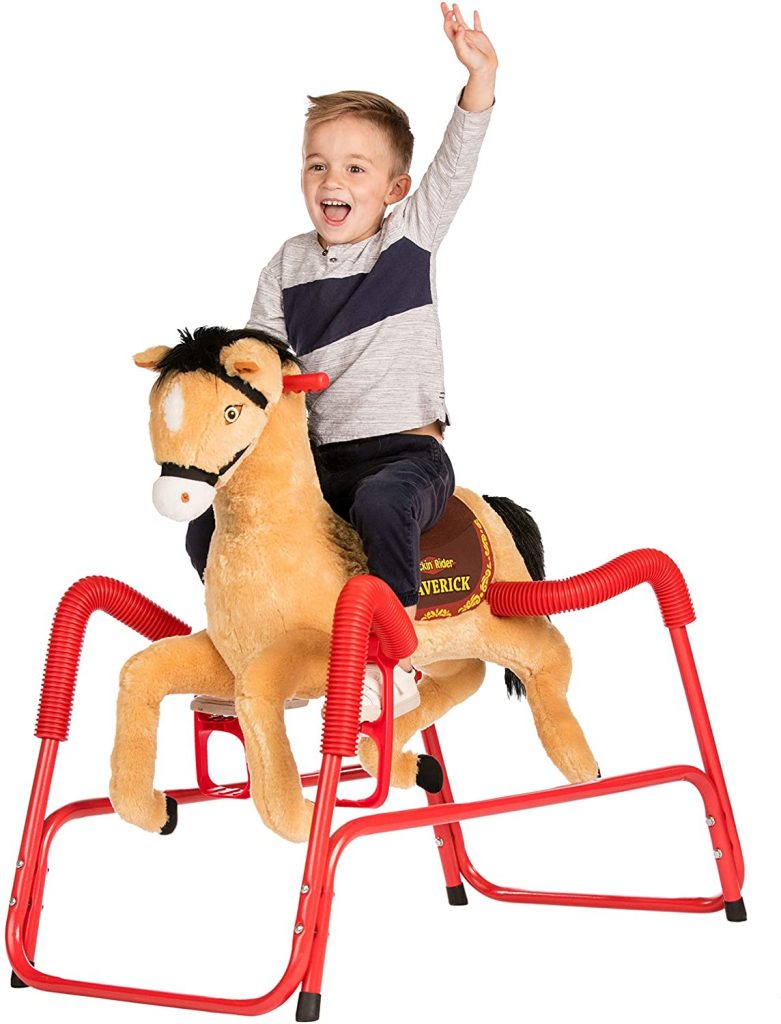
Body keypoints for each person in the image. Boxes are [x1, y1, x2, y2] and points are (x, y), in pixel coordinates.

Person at [187, 3, 498, 721]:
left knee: (381, 504)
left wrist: (478, 76)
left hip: (403, 457)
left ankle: (391, 662)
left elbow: (454, 166)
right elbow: (258, 368)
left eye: (356, 168)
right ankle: (264, 652)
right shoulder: (286, 265)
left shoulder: (406, 241)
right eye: (318, 164)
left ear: (393, 189)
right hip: (319, 460)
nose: (334, 180)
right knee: (213, 524)